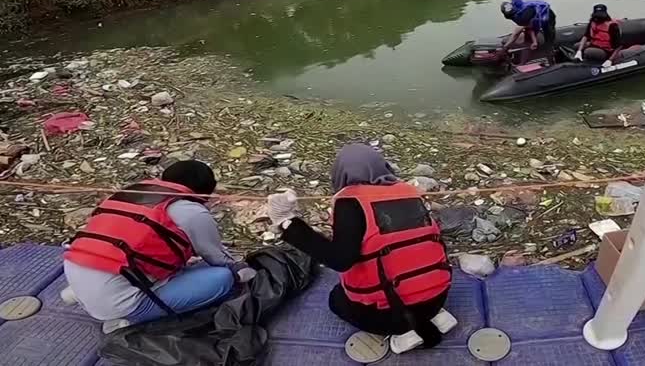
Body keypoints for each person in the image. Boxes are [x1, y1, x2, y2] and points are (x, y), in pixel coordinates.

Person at [266, 144, 455, 355]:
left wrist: (287, 222)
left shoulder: (350, 201)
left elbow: (340, 260)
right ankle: (430, 314)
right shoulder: (409, 191)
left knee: (336, 299)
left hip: (390, 314)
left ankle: (404, 331)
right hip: (439, 297)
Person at [63, 161, 253, 333]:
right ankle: (128, 320)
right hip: (118, 301)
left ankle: (84, 294)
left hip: (77, 268)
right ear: (207, 191)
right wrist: (242, 269)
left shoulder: (130, 193)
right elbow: (217, 258)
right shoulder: (192, 212)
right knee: (224, 279)